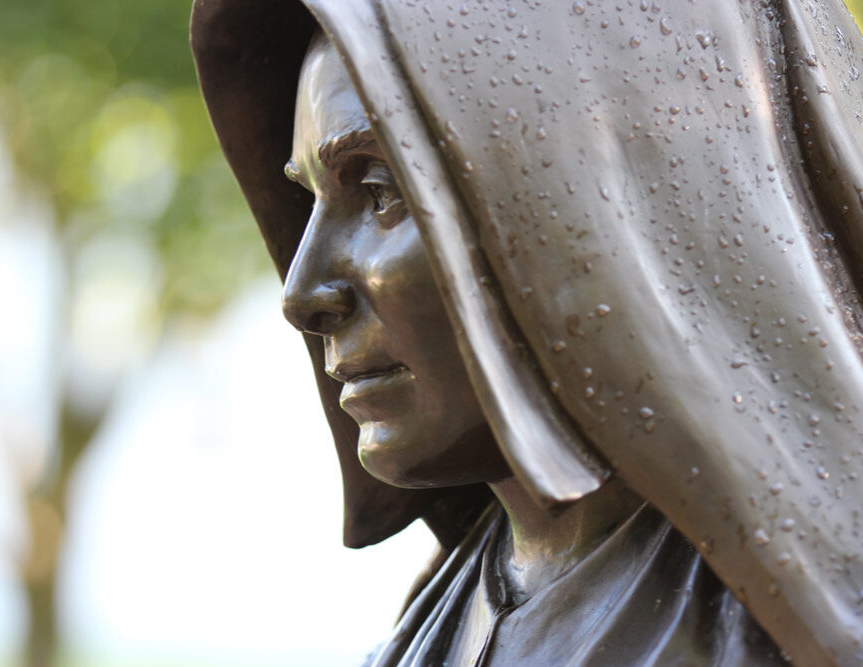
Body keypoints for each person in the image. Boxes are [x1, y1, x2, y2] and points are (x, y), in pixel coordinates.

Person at [192, 0, 863, 663]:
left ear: (608, 200)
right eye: (310, 198)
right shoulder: (433, 623)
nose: (302, 294)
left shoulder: (798, 630)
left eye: (378, 188)